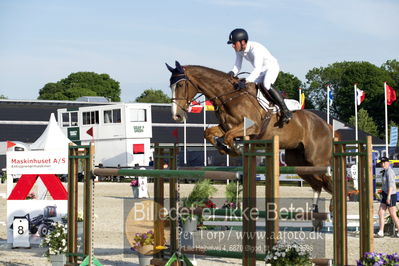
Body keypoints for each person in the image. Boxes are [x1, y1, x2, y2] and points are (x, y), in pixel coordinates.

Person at [226, 28, 292, 123]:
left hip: (271, 67)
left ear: (243, 42)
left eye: (234, 43)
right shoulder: (239, 50)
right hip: (261, 71)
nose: (232, 46)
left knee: (266, 84)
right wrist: (232, 73)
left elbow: (257, 69)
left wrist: (245, 81)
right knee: (249, 87)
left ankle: (286, 110)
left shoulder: (255, 49)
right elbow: (237, 65)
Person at [376, 157, 399, 237]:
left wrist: (388, 197)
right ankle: (381, 231)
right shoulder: (384, 172)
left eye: (384, 162)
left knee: (392, 214)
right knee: (380, 212)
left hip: (391, 195)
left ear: (388, 163)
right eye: (381, 163)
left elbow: (391, 186)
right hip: (385, 194)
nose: (382, 164)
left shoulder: (390, 172)